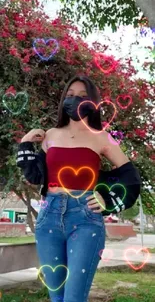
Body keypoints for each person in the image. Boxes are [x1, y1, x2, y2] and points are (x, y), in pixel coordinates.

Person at [16, 75, 141, 302]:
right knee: (57, 297)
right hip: (49, 217)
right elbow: (34, 175)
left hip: (85, 218)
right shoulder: (51, 135)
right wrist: (26, 142)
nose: (75, 101)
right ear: (64, 99)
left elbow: (130, 175)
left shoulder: (102, 137)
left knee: (74, 298)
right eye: (71, 95)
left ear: (92, 102)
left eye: (83, 97)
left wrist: (107, 200)